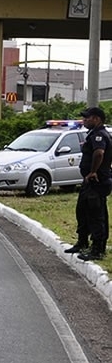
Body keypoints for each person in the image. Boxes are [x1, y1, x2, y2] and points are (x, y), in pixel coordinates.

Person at [64, 107, 112, 261]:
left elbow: (99, 153)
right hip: (89, 182)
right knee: (82, 211)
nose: (84, 120)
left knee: (96, 215)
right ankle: (82, 241)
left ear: (97, 119)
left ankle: (98, 249)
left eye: (87, 118)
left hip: (97, 182)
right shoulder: (92, 134)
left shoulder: (100, 135)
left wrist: (93, 171)